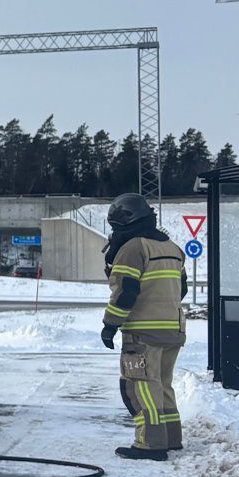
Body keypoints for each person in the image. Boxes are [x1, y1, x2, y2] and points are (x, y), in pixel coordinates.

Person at [101, 191, 185, 461]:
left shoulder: (134, 247)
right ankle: (171, 439)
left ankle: (150, 444)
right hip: (173, 330)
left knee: (141, 388)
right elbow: (181, 289)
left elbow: (125, 292)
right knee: (163, 385)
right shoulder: (171, 247)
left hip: (143, 333)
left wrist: (110, 325)